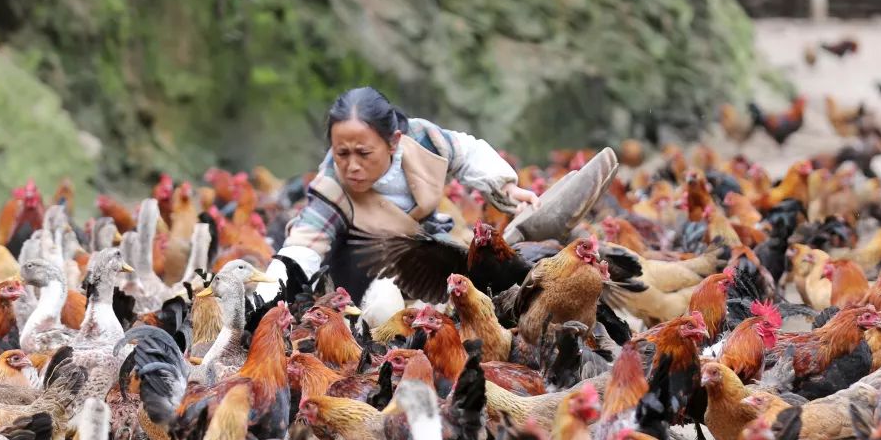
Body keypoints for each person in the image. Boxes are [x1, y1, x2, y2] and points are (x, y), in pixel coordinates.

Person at [257, 87, 616, 320]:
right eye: (341, 153)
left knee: (495, 261)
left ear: (393, 141)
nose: (351, 164)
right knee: (383, 311)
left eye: (364, 152)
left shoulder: (422, 139)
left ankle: (530, 227)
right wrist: (265, 293)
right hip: (367, 264)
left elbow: (468, 152)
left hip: (427, 248)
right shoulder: (331, 185)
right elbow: (303, 243)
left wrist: (506, 188)